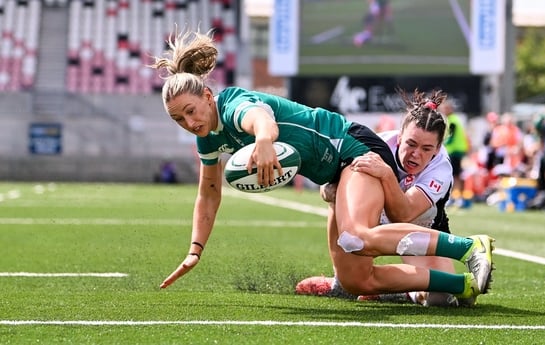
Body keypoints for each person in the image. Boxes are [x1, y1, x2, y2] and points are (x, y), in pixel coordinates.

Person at [150, 29, 494, 301]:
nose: (189, 122)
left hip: (351, 146)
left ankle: (470, 247)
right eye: (178, 119)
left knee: (357, 237)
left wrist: (265, 141)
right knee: (356, 279)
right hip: (334, 170)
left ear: (207, 97)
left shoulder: (231, 104)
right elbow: (208, 194)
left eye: (191, 111)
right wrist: (195, 250)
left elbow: (260, 118)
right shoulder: (207, 139)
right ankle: (461, 284)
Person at [296, 89, 474, 307]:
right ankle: (341, 281)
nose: (416, 154)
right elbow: (330, 186)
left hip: (419, 223)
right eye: (411, 144)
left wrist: (387, 175)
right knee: (353, 274)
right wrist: (331, 190)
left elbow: (404, 214)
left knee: (442, 300)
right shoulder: (375, 145)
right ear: (399, 137)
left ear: (437, 150)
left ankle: (403, 293)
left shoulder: (441, 169)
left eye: (426, 148)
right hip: (376, 215)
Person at [439, 99, 469, 207]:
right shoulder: (454, 119)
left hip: (454, 151)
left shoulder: (451, 121)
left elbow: (450, 138)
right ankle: (455, 197)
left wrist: (439, 143)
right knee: (456, 175)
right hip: (457, 150)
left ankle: (456, 197)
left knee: (454, 175)